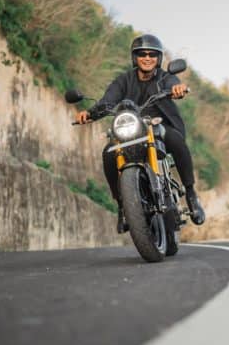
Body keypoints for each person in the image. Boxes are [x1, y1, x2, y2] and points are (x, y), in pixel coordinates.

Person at [76, 34, 206, 232]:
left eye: (152, 54)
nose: (147, 57)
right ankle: (122, 205)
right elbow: (107, 101)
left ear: (159, 58)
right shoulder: (123, 80)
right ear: (134, 57)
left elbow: (173, 83)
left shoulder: (164, 77)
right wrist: (89, 113)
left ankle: (191, 194)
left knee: (176, 140)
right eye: (142, 54)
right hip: (130, 128)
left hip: (159, 126)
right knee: (109, 153)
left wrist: (177, 88)